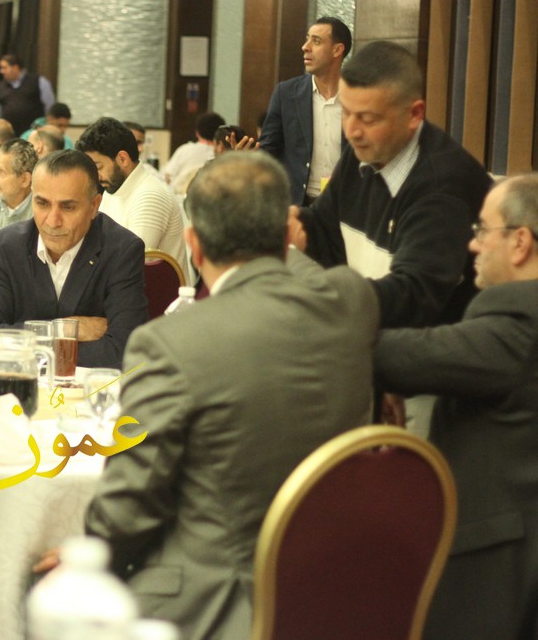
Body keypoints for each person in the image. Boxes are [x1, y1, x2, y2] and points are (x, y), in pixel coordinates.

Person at [84, 151, 378, 639]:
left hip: (217, 605)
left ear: (193, 245)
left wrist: (85, 558)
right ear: (288, 234)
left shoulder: (168, 342)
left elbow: (128, 509)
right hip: (335, 591)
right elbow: (315, 276)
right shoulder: (352, 301)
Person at [373, 173, 538, 639]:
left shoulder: (520, 325)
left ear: (520, 242)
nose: (472, 245)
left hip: (494, 574)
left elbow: (409, 355)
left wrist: (334, 312)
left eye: (483, 230)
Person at [293, 40, 491, 329]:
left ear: (414, 114)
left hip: (426, 349)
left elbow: (413, 298)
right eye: (346, 113)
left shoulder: (443, 187)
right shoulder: (361, 154)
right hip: (373, 338)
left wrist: (322, 302)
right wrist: (287, 224)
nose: (352, 131)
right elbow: (325, 229)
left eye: (367, 118)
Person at [0, 149, 148, 368]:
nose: (53, 221)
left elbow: (124, 350)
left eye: (68, 207)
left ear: (94, 206)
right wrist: (61, 330)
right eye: (42, 204)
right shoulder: (6, 246)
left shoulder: (121, 250)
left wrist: (21, 343)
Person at [258, 17, 352, 205]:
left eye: (316, 41)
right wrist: (248, 156)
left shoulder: (358, 96)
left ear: (337, 50)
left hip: (346, 205)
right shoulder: (286, 93)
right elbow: (268, 152)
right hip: (300, 206)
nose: (305, 47)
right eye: (307, 39)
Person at [77, 117, 187, 274]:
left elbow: (129, 264)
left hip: (152, 289)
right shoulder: (114, 189)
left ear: (122, 159)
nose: (96, 176)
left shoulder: (151, 197)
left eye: (98, 167)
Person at [0, 54, 56, 135]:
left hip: (35, 133)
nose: (1, 71)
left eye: (4, 68)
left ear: (15, 67)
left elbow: (49, 105)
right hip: (10, 134)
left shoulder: (39, 81)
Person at [161, 112, 224, 191]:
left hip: (180, 195)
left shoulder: (184, 150)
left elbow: (167, 176)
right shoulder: (223, 155)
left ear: (197, 133)